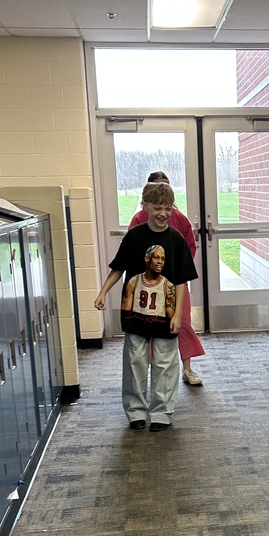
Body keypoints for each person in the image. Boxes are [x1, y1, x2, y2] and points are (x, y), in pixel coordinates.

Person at [95, 182, 197, 431]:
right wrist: (103, 292)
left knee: (165, 363)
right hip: (136, 313)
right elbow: (118, 267)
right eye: (158, 208)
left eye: (168, 208)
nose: (163, 213)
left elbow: (181, 281)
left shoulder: (176, 239)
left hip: (166, 313)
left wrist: (178, 316)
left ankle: (162, 412)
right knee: (134, 362)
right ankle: (136, 411)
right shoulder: (134, 236)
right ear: (146, 206)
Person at [129, 170, 205, 386]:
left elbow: (189, 248)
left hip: (175, 282)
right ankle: (150, 373)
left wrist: (174, 270)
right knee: (149, 326)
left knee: (182, 323)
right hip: (148, 285)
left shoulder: (179, 218)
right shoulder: (139, 219)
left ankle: (187, 369)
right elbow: (132, 251)